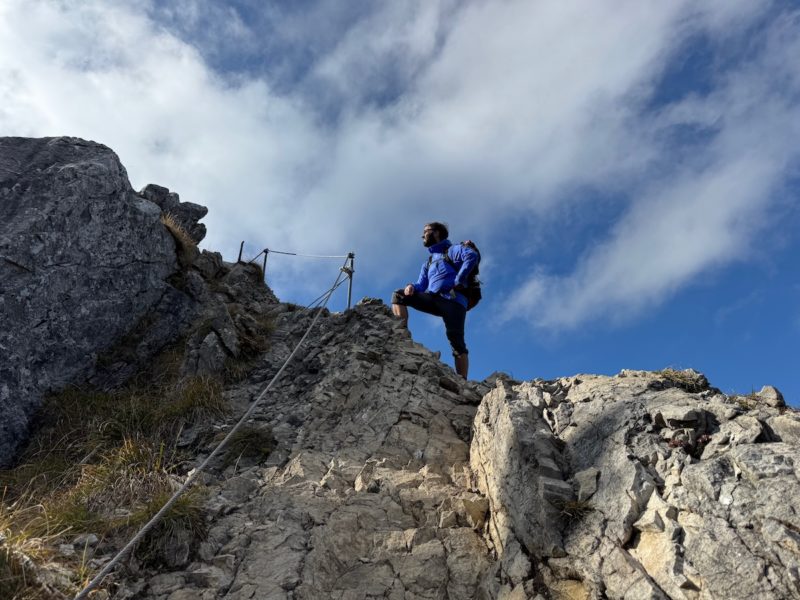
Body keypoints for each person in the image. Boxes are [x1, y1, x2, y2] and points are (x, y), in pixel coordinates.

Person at [392, 222, 479, 378]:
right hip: (435, 299)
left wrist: (460, 278)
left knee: (456, 342)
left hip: (455, 302)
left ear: (437, 233)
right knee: (399, 296)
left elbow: (472, 256)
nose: (422, 235)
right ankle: (401, 336)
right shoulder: (429, 262)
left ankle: (463, 382)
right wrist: (411, 286)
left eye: (425, 231)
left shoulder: (452, 250)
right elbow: (421, 285)